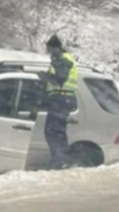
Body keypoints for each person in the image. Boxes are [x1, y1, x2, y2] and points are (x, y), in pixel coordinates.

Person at [37, 35, 79, 170]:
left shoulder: (62, 60)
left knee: (53, 131)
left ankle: (60, 160)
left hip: (61, 99)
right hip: (62, 99)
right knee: (56, 132)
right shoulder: (61, 59)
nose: (48, 52)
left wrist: (45, 77)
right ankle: (61, 159)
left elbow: (59, 79)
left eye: (49, 49)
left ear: (56, 48)